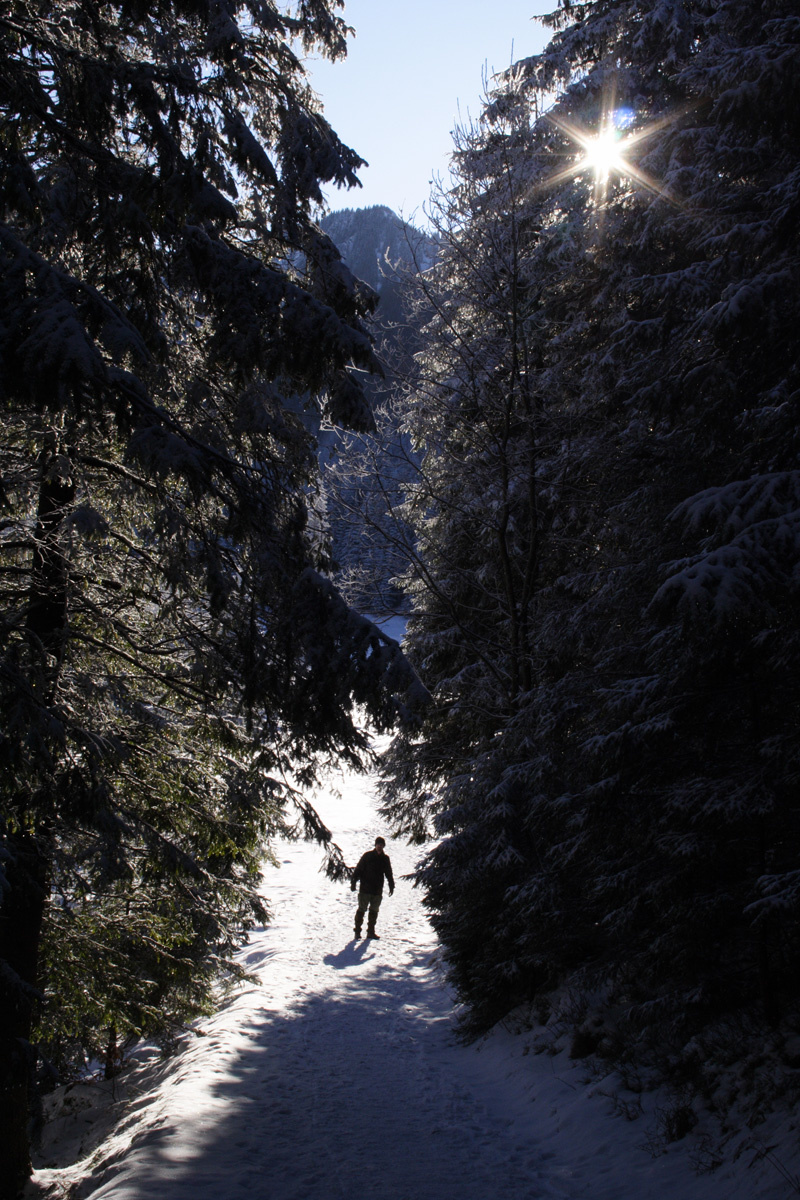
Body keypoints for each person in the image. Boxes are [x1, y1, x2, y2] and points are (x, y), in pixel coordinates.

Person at [350, 836, 394, 939]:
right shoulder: (367, 856)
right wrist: (353, 882)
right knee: (361, 910)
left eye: (381, 845)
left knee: (374, 911)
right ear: (375, 845)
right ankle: (357, 931)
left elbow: (389, 873)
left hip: (377, 890)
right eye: (378, 844)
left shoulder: (385, 859)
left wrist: (391, 885)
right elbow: (358, 869)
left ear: (383, 846)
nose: (379, 846)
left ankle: (371, 932)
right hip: (365, 888)